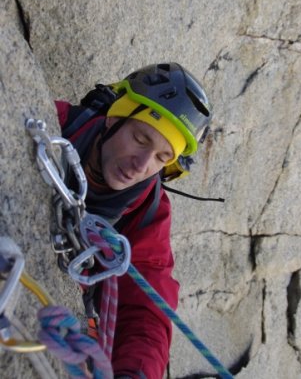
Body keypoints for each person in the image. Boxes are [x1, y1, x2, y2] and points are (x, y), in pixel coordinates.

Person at [55, 62, 212, 379]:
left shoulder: (147, 212)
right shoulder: (54, 124)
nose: (142, 165)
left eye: (161, 157)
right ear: (114, 118)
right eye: (141, 139)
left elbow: (146, 310)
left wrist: (136, 372)